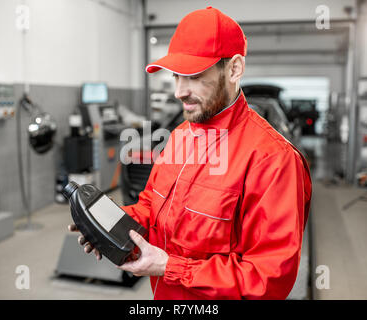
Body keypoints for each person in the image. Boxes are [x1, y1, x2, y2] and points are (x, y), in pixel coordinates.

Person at [69, 6, 312, 300]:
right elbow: (151, 208)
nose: (178, 92)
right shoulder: (181, 135)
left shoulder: (274, 160)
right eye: (175, 77)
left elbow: (268, 278)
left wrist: (171, 267)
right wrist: (110, 223)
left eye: (194, 76)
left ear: (234, 69)